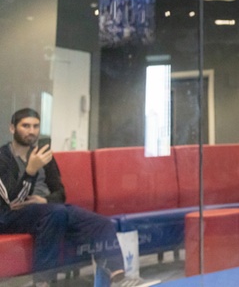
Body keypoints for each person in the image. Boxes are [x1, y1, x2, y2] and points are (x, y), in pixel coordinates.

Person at [0, 108, 142, 286]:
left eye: (36, 126)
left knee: (101, 223)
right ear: (12, 128)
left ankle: (119, 278)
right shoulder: (3, 158)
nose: (31, 131)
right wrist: (30, 171)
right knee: (55, 213)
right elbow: (12, 202)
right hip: (9, 215)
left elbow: (60, 193)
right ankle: (43, 282)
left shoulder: (44, 155)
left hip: (48, 209)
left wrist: (45, 200)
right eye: (25, 126)